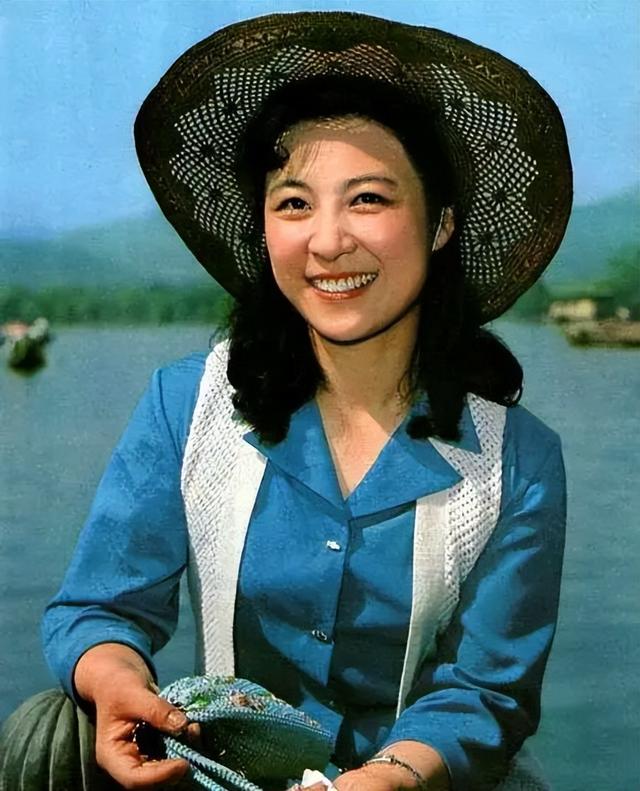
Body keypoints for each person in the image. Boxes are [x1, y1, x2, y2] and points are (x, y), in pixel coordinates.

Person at [35, 10, 571, 791]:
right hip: (224, 777)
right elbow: (100, 606)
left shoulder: (515, 459)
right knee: (42, 734)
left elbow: (487, 690)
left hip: (421, 783)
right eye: (293, 204)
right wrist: (115, 678)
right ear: (264, 227)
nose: (327, 241)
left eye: (368, 199)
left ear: (441, 224)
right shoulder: (187, 405)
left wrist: (390, 775)